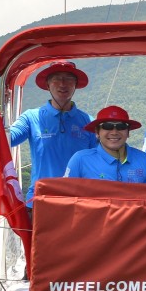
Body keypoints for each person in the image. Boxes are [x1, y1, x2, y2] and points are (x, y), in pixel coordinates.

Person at [9, 61, 95, 219]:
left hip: (78, 203)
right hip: (39, 202)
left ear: (75, 85)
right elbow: (8, 140)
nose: (62, 84)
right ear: (47, 85)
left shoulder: (89, 122)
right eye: (56, 78)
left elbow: (101, 159)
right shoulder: (31, 117)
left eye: (69, 79)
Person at [64, 106, 146, 183]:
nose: (114, 132)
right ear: (97, 132)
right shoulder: (81, 160)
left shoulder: (145, 160)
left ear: (128, 132)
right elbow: (66, 193)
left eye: (121, 127)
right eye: (107, 126)